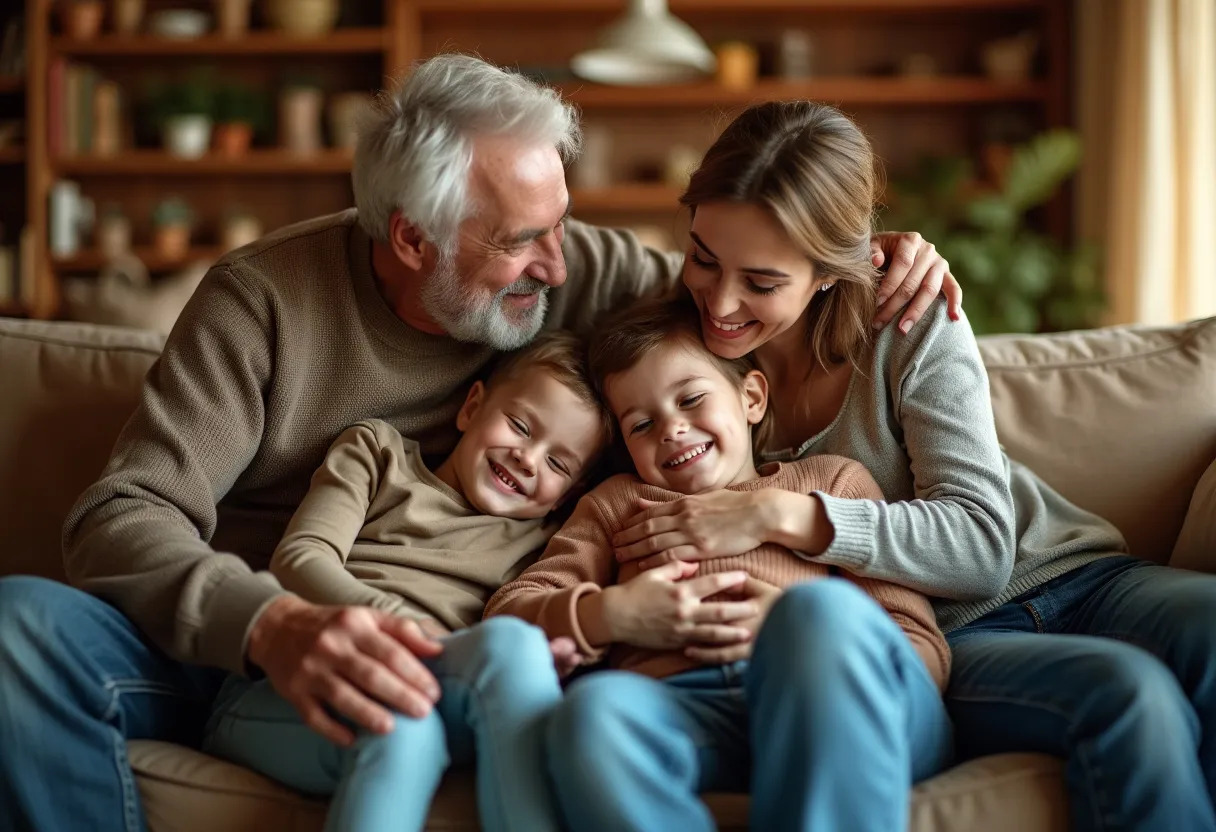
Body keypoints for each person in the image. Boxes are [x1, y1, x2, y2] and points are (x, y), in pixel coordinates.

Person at [0, 54, 955, 832]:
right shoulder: (261, 304)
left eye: (562, 225)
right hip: (265, 639)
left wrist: (874, 259)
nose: (560, 263)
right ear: (414, 239)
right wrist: (269, 624)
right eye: (520, 241)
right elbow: (123, 514)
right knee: (20, 626)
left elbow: (754, 281)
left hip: (469, 652)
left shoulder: (586, 277)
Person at [607, 99, 1216, 831]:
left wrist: (777, 513)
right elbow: (558, 257)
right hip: (955, 636)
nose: (722, 301)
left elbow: (982, 544)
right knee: (1130, 695)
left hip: (1084, 577)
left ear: (835, 270)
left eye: (762, 283)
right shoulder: (682, 364)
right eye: (703, 257)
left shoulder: (906, 318)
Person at [485, 295, 954, 831]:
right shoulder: (618, 504)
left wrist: (798, 638)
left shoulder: (828, 484)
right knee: (593, 714)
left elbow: (922, 647)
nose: (671, 429)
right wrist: (610, 613)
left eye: (690, 398)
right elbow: (510, 615)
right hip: (686, 715)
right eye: (640, 425)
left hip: (840, 707)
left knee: (819, 611)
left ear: (751, 397)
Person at [201, 331, 609, 832]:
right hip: (293, 685)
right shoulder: (378, 454)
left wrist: (549, 655)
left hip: (445, 695)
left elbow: (538, 625)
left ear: (570, 493)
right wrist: (417, 633)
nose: (528, 458)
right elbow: (301, 559)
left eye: (557, 463)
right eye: (521, 426)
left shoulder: (547, 542)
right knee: (399, 726)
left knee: (513, 647)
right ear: (472, 407)